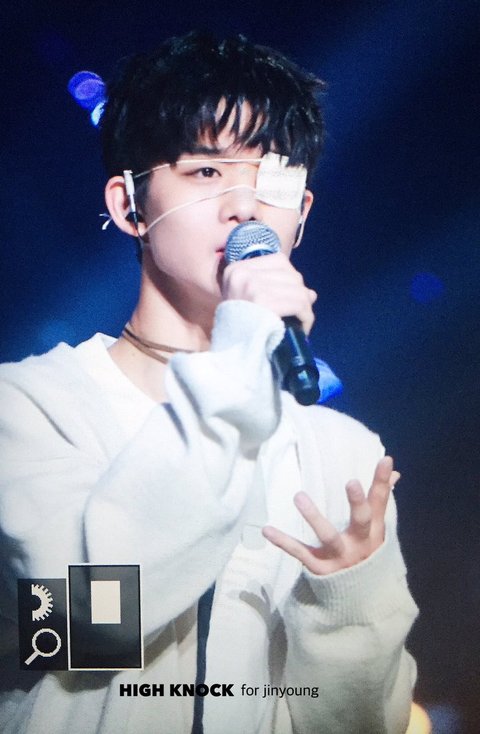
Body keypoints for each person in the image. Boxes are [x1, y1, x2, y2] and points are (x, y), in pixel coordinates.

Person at [0, 31, 418, 734]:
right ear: (130, 205)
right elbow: (76, 630)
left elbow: (362, 725)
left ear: (302, 214)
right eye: (205, 171)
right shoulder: (29, 407)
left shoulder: (339, 452)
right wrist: (240, 347)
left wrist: (345, 605)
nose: (244, 207)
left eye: (272, 181)